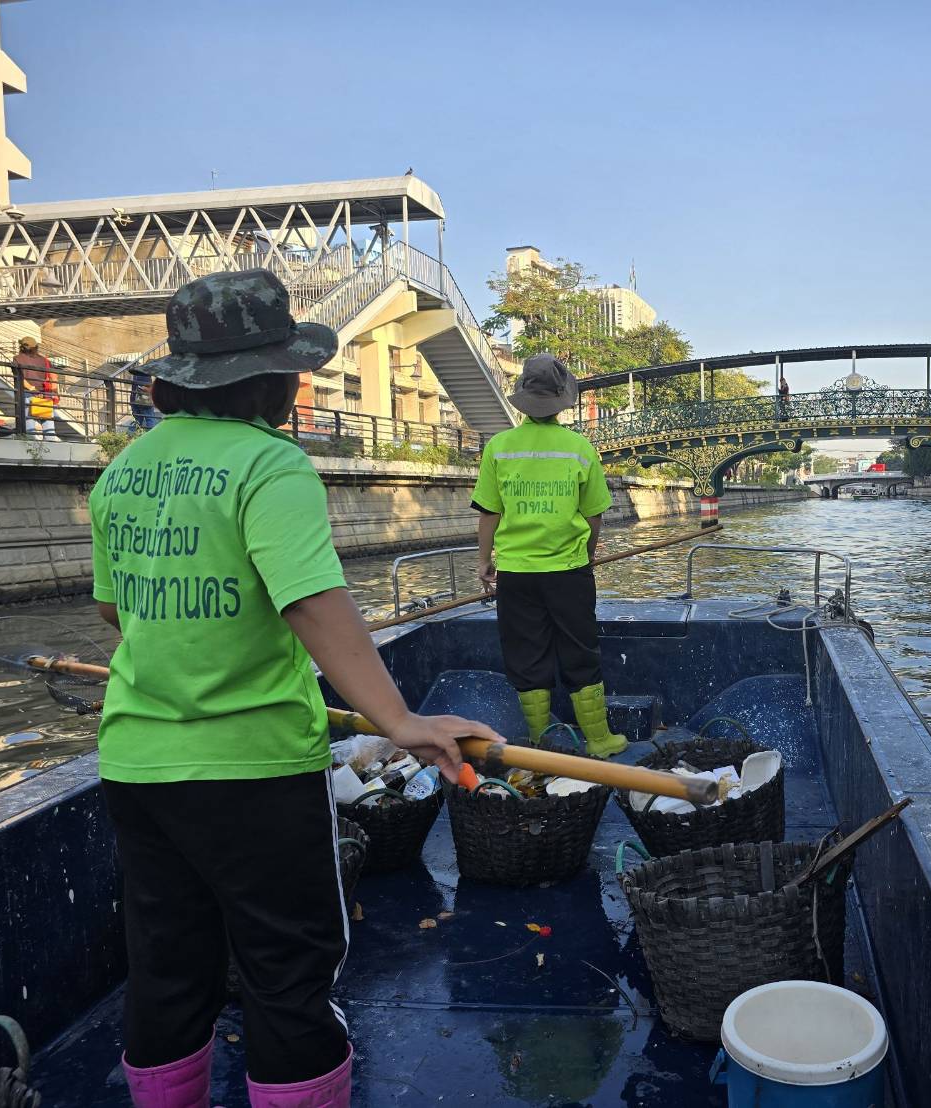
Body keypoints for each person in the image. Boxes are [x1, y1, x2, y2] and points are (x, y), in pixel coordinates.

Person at [89, 268, 504, 1108]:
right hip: (252, 769)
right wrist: (398, 719)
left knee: (167, 969)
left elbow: (114, 607)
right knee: (287, 973)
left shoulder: (122, 471)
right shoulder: (270, 463)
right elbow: (312, 603)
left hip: (136, 766)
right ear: (270, 380)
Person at [471, 354, 627, 758]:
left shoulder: (499, 448)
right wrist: (585, 556)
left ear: (523, 397)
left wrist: (484, 561)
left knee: (526, 653)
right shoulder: (579, 448)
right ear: (561, 401)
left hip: (516, 573)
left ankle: (541, 741)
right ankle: (598, 739)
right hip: (569, 571)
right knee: (580, 650)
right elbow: (593, 516)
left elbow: (489, 513)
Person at [13, 336, 57, 440]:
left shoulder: (17, 359)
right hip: (44, 394)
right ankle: (51, 443)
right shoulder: (44, 360)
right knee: (47, 421)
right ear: (36, 347)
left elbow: (19, 377)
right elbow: (54, 377)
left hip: (28, 393)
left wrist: (31, 388)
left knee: (29, 423)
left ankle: (31, 444)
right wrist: (53, 393)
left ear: (21, 347)